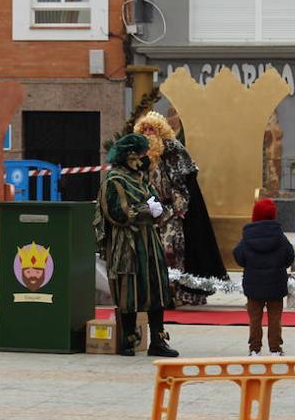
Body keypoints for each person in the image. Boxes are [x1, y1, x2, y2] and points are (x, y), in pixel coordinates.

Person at [132, 111, 227, 306]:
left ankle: (176, 292)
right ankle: (154, 293)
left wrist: (179, 205)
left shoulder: (173, 150)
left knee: (172, 252)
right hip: (147, 212)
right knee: (150, 253)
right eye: (145, 129)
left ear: (160, 131)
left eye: (152, 129)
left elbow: (185, 180)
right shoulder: (139, 155)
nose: (149, 133)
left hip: (171, 211)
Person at [95, 133, 178, 358]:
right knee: (128, 292)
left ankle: (158, 341)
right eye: (140, 155)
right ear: (129, 156)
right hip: (126, 245)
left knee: (156, 289)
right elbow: (118, 214)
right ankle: (128, 341)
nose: (143, 159)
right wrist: (145, 210)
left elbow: (154, 204)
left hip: (149, 242)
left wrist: (158, 210)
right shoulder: (114, 181)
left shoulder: (141, 178)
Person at [232, 197, 295, 357]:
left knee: (254, 319)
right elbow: (289, 256)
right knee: (275, 319)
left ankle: (254, 349)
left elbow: (239, 256)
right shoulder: (280, 236)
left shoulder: (247, 235)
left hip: (253, 285)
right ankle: (275, 348)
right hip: (276, 284)